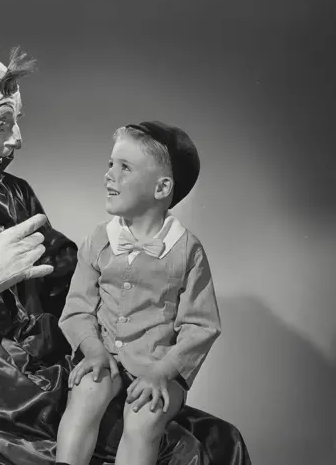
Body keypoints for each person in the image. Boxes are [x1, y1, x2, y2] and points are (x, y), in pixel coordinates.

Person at [0, 44, 252, 465]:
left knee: (223, 441)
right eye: (1, 124)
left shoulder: (10, 194)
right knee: (182, 452)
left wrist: (137, 310)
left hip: (48, 375)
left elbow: (72, 287)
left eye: (16, 121)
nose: (17, 139)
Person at [57, 121, 221, 465]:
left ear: (162, 188)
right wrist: (92, 350)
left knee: (143, 416)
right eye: (110, 164)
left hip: (160, 365)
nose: (109, 175)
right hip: (103, 352)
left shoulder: (186, 250)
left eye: (125, 168)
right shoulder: (99, 240)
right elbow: (77, 309)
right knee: (86, 394)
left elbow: (201, 326)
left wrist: (162, 371)